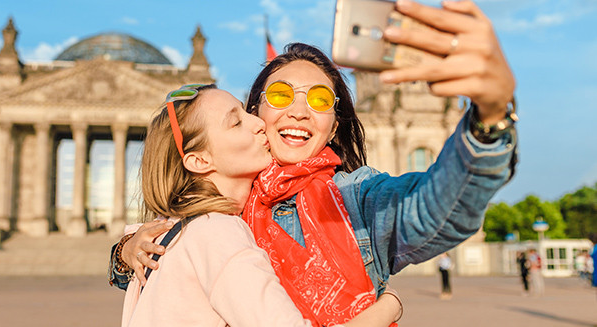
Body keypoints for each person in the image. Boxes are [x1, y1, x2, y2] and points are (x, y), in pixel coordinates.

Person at [113, 0, 516, 318]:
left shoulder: (357, 200)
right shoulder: (216, 204)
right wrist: (125, 251)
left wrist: (491, 119)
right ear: (257, 114)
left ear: (334, 126)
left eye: (321, 100)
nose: (300, 112)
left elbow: (434, 209)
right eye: (281, 96)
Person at [119, 84, 402, 326]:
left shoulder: (172, 233)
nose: (258, 123)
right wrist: (390, 304)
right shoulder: (216, 232)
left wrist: (122, 252)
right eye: (236, 122)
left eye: (246, 112)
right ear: (200, 161)